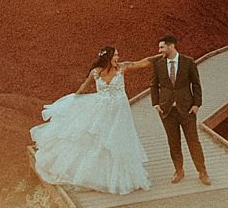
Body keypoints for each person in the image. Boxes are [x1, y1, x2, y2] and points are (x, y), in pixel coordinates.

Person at [30, 45, 156, 195]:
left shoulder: (122, 68)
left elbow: (143, 63)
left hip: (120, 114)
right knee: (101, 141)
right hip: (102, 112)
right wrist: (72, 102)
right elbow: (83, 88)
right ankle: (101, 178)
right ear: (108, 58)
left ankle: (120, 177)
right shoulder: (95, 73)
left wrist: (163, 55)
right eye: (115, 55)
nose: (118, 57)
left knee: (119, 140)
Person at [151, 35, 210, 185]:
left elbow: (196, 84)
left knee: (193, 141)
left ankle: (202, 172)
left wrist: (197, 104)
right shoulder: (158, 64)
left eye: (162, 47)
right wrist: (156, 104)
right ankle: (179, 171)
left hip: (187, 110)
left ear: (171, 47)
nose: (159, 50)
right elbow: (154, 85)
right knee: (173, 142)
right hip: (167, 111)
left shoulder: (188, 62)